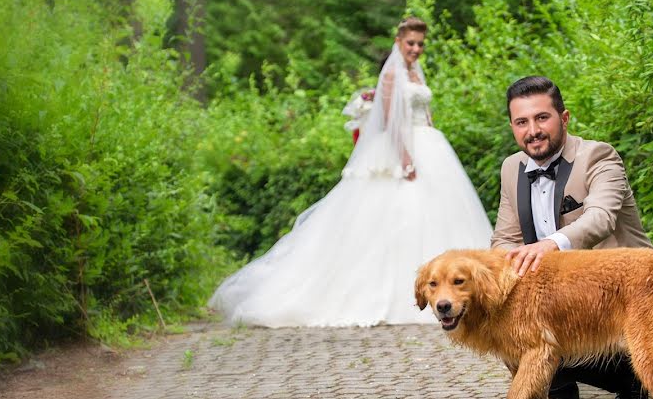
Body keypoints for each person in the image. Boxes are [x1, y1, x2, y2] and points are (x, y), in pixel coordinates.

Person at [209, 17, 492, 327]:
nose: (416, 48)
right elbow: (391, 121)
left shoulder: (415, 72)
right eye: (411, 43)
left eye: (420, 44)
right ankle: (406, 290)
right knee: (397, 217)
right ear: (398, 42)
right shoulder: (390, 78)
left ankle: (460, 287)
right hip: (403, 150)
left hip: (430, 146)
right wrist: (405, 158)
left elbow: (424, 112)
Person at [491, 75, 653, 399]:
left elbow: (601, 218)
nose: (532, 130)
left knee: (556, 324)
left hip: (621, 298)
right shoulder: (511, 168)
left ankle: (635, 382)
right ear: (512, 126)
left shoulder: (598, 156)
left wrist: (550, 245)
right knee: (494, 308)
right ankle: (552, 389)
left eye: (541, 118)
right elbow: (505, 238)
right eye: (522, 122)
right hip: (561, 298)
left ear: (564, 118)